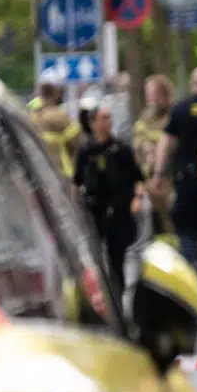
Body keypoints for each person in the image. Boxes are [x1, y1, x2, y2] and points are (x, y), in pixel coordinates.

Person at [153, 66, 197, 299]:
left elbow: (166, 143)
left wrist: (158, 172)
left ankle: (191, 271)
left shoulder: (181, 109)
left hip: (187, 179)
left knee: (187, 230)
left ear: (193, 84)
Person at [72, 104, 146, 286]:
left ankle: (118, 292)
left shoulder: (121, 149)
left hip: (119, 208)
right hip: (95, 209)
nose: (107, 123)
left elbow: (138, 178)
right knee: (94, 255)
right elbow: (76, 181)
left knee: (117, 256)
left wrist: (137, 198)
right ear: (93, 123)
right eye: (103, 118)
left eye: (109, 118)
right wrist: (75, 207)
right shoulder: (86, 151)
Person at [132, 74, 176, 242]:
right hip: (149, 176)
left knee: (169, 217)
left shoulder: (172, 114)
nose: (150, 98)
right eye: (148, 93)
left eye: (153, 93)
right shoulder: (146, 115)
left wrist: (157, 147)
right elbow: (137, 136)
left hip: (168, 175)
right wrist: (143, 145)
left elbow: (173, 141)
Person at [31, 80, 83, 179]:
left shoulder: (31, 117)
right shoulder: (59, 116)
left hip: (38, 174)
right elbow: (78, 143)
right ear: (56, 94)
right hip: (61, 173)